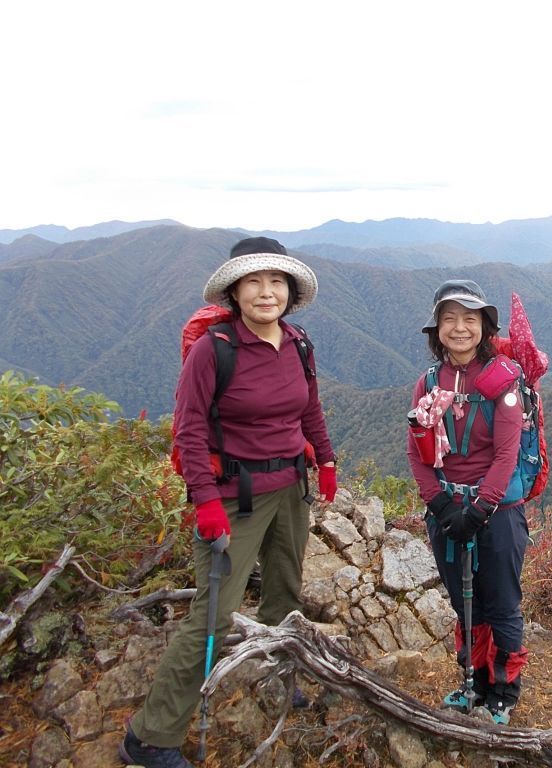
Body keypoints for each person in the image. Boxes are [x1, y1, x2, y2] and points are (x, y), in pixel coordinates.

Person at [121, 237, 337, 768]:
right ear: (235, 292)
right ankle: (149, 739)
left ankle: (278, 678)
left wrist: (326, 460)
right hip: (233, 498)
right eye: (255, 282)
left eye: (277, 282)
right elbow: (189, 431)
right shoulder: (213, 350)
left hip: (290, 489)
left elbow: (308, 410)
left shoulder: (298, 343)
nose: (267, 292)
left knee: (285, 595)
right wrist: (204, 503)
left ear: (290, 291)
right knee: (213, 616)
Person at [407, 279, 530, 725]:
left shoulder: (502, 378)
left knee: (500, 602)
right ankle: (473, 681)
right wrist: (440, 505)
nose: (460, 328)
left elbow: (506, 453)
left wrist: (479, 508)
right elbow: (416, 451)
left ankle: (503, 690)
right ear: (437, 328)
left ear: (485, 326)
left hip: (496, 513)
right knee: (465, 602)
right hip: (447, 511)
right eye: (450, 318)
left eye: (470, 319)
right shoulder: (427, 383)